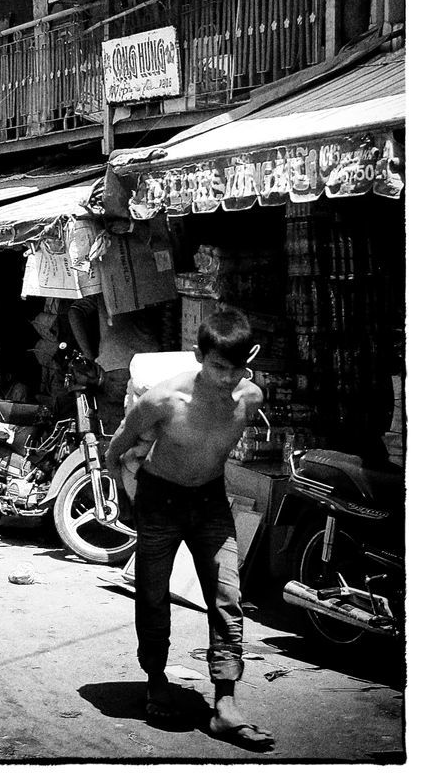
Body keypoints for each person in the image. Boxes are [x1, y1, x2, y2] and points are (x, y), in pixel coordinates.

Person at [105, 306, 274, 753]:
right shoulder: (163, 400)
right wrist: (131, 497)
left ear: (250, 358)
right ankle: (156, 681)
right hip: (159, 500)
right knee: (153, 596)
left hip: (210, 503)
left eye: (237, 367)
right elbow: (116, 450)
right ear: (199, 355)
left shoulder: (251, 397)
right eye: (218, 366)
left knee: (227, 598)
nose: (227, 378)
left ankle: (225, 702)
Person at [67, 295, 162, 433]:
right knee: (147, 435)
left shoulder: (103, 286)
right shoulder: (151, 280)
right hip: (150, 368)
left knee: (115, 436)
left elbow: (74, 311)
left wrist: (89, 356)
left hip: (114, 369)